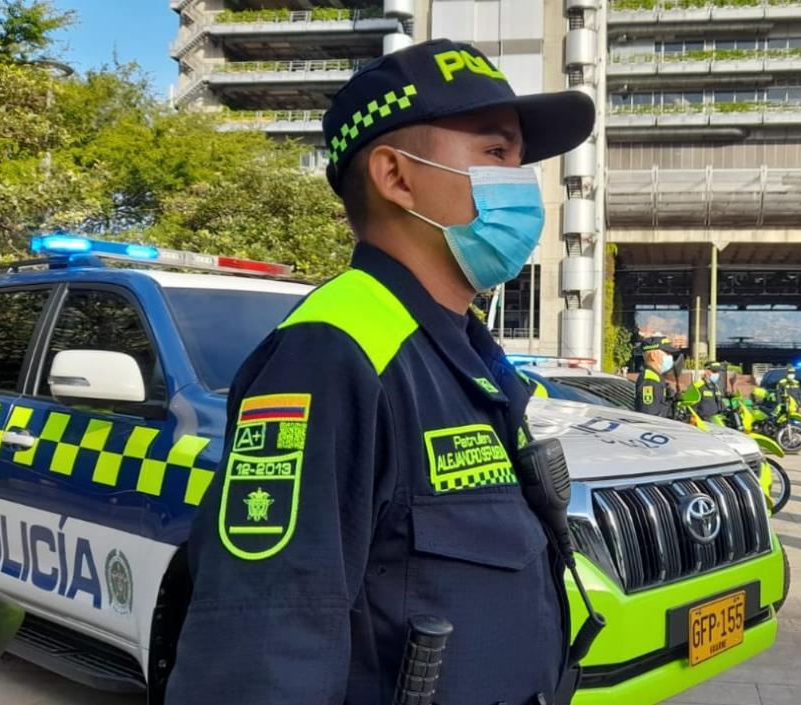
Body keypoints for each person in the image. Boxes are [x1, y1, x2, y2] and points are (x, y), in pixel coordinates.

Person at [165, 39, 595, 705]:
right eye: (496, 152)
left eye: (520, 159)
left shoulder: (458, 347)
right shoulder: (333, 354)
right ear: (396, 176)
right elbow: (263, 648)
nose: (523, 180)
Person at [635, 335, 678, 418]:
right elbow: (650, 416)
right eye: (667, 353)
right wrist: (669, 406)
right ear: (653, 355)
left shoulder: (655, 376)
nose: (670, 356)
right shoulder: (649, 380)